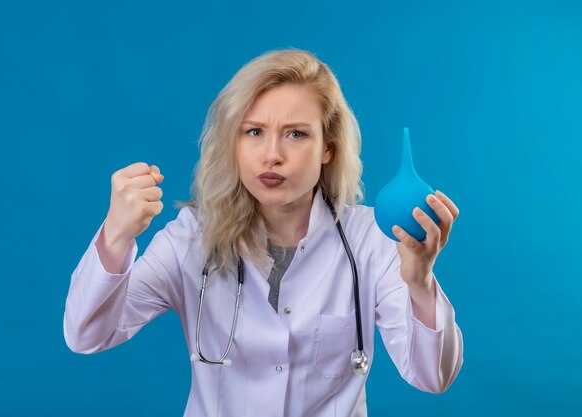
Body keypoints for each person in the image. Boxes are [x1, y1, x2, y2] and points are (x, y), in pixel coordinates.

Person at [63, 48, 463, 416]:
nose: (272, 154)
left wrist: (420, 280)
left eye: (296, 133)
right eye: (254, 131)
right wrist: (116, 235)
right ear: (233, 142)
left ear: (328, 147)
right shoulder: (190, 238)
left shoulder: (371, 241)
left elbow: (432, 377)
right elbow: (87, 335)